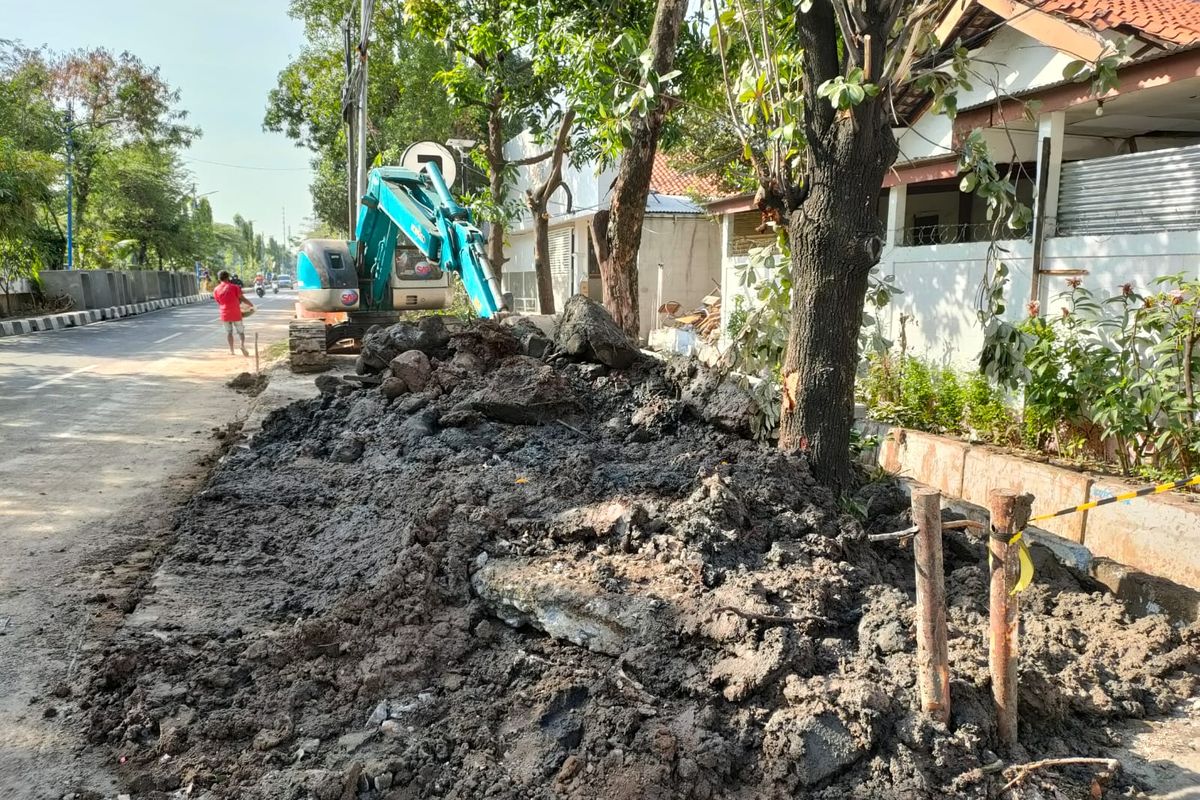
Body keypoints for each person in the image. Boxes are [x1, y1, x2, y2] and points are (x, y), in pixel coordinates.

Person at [213, 270, 253, 356]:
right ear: (228, 277)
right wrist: (251, 305)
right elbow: (242, 299)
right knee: (241, 332)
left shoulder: (216, 289)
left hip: (225, 314)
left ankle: (232, 351)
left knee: (229, 333)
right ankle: (242, 345)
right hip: (236, 313)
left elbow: (219, 302)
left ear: (219, 278)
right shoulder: (235, 287)